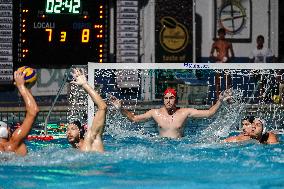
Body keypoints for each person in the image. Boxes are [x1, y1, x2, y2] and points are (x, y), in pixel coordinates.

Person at [110, 88, 230, 139]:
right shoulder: (155, 113)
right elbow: (134, 118)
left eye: (171, 98)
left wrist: (219, 100)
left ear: (176, 99)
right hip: (161, 146)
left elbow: (209, 113)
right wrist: (121, 108)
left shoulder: (184, 112)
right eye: (166, 98)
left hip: (180, 146)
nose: (168, 101)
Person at [66, 69, 107, 152]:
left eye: (73, 129)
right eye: (67, 130)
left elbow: (102, 107)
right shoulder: (73, 152)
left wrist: (85, 85)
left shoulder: (91, 139)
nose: (69, 132)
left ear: (81, 131)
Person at [0, 70, 39, 156]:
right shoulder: (13, 145)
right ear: (9, 131)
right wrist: (21, 86)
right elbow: (33, 112)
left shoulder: (12, 144)